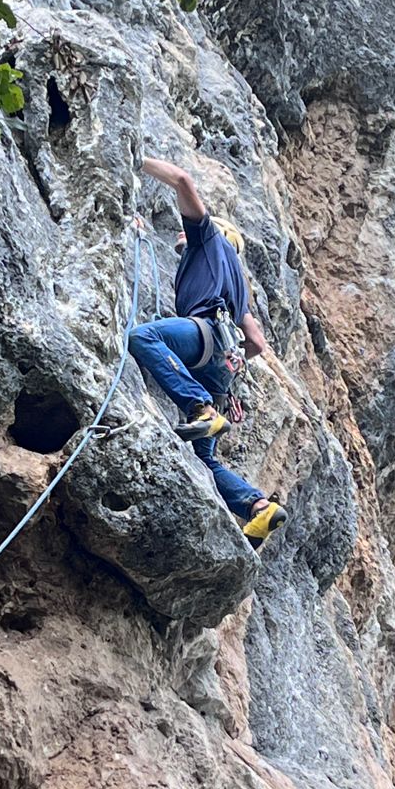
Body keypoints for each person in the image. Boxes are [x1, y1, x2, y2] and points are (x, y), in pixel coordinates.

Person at [129, 156, 286, 549]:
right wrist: (229, 373)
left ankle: (200, 409)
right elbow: (256, 342)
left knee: (143, 337)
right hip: (221, 362)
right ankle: (258, 508)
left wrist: (135, 158)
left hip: (205, 335)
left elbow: (182, 180)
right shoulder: (240, 288)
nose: (181, 235)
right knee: (205, 461)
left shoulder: (208, 239)